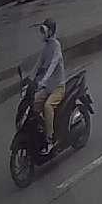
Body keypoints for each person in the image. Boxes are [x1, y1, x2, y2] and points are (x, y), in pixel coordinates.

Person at [31, 18, 65, 155]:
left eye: (44, 30)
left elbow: (52, 65)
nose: (43, 33)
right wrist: (29, 79)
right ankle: (43, 128)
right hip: (47, 88)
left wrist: (43, 81)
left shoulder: (56, 46)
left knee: (47, 106)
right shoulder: (46, 47)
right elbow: (38, 64)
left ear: (50, 31)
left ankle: (50, 139)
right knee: (33, 104)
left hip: (58, 88)